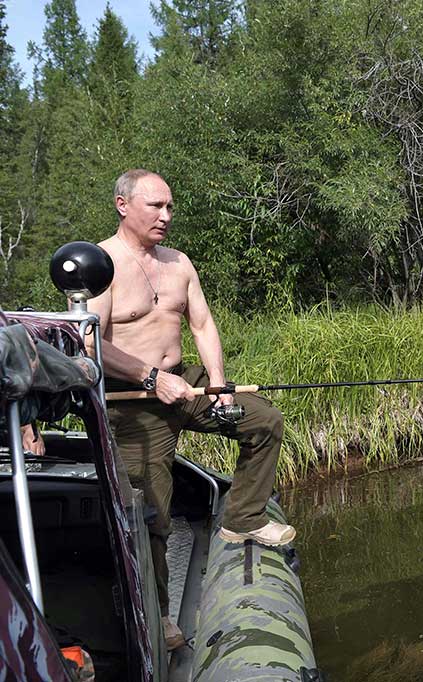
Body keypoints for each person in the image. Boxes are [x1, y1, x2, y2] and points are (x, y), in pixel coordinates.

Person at [88, 169, 295, 651]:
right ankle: (156, 615)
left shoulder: (178, 262)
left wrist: (218, 384)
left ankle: (242, 517)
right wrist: (150, 378)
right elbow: (91, 343)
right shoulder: (101, 264)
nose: (166, 216)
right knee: (153, 512)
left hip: (187, 383)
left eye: (170, 207)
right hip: (134, 400)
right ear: (123, 205)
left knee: (263, 420)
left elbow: (201, 323)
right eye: (155, 206)